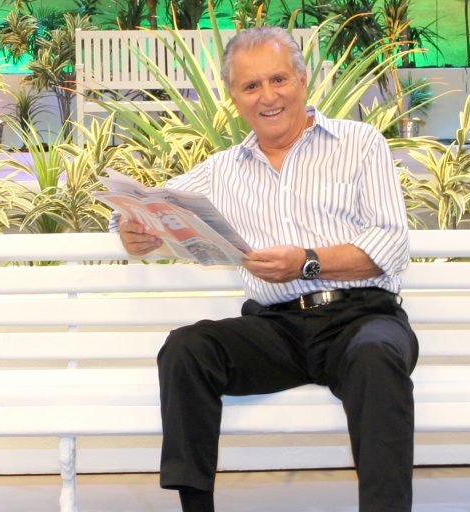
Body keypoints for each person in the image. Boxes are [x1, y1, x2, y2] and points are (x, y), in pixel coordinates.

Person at [116, 26, 419, 512]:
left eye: (278, 79)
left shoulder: (359, 143)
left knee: (376, 356)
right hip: (276, 329)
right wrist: (131, 228)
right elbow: (151, 203)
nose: (268, 96)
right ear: (234, 97)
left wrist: (307, 262)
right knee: (186, 348)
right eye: (251, 86)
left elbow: (391, 245)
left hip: (361, 318)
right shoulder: (222, 169)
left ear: (302, 80)